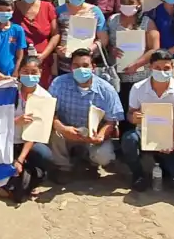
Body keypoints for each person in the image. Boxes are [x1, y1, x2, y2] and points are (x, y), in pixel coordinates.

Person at [121, 49, 174, 190]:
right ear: (150, 68)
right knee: (128, 139)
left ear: (173, 67)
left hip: (171, 137)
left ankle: (162, 162)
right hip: (144, 134)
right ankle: (138, 174)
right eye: (157, 68)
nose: (162, 71)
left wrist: (170, 140)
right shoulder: (138, 88)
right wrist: (134, 118)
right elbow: (130, 114)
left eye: (166, 68)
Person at [49, 49, 124, 182]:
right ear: (70, 67)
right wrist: (62, 128)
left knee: (104, 155)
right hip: (67, 131)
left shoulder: (107, 89)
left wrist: (101, 136)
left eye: (85, 65)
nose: (80, 69)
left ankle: (93, 164)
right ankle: (63, 168)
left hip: (93, 134)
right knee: (54, 132)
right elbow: (50, 112)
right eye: (76, 66)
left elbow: (111, 120)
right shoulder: (58, 84)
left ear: (93, 67)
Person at [1, 56, 56, 202]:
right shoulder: (9, 91)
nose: (30, 75)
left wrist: (20, 159)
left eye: (34, 72)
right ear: (19, 72)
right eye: (25, 71)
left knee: (45, 156)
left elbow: (35, 133)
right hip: (5, 140)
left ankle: (25, 174)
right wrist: (15, 122)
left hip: (28, 143)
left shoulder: (45, 97)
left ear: (40, 73)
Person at [107, 0, 158, 114]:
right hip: (118, 77)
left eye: (130, 2)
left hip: (141, 77)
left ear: (139, 4)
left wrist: (136, 64)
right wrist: (111, 49)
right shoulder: (112, 20)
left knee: (138, 112)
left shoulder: (147, 22)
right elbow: (106, 43)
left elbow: (154, 49)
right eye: (123, 2)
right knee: (121, 110)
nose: (126, 5)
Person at [13, 0, 59, 88]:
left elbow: (55, 34)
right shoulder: (12, 8)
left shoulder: (47, 7)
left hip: (43, 63)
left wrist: (44, 55)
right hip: (18, 63)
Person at [55, 0, 107, 76]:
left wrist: (90, 49)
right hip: (64, 66)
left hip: (87, 65)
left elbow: (103, 39)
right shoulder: (58, 11)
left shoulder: (95, 11)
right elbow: (54, 35)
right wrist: (58, 50)